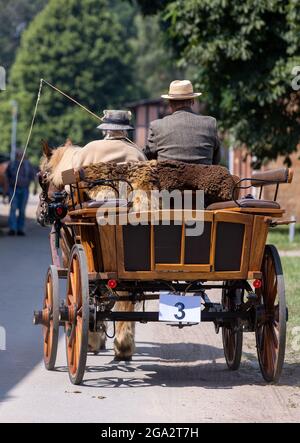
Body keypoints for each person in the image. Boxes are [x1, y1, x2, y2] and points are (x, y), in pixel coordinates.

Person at [144, 80, 221, 165]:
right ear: (193, 101)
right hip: (205, 177)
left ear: (170, 103)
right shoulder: (210, 123)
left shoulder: (156, 126)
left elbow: (147, 156)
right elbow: (216, 160)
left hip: (167, 177)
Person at [72, 110, 146, 169]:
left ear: (105, 130)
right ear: (125, 131)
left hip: (96, 187)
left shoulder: (91, 147)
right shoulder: (136, 151)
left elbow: (75, 168)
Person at [6, 149, 35, 236]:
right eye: (18, 154)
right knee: (13, 208)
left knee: (22, 210)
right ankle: (12, 229)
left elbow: (33, 177)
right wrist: (5, 190)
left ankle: (20, 229)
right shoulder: (11, 164)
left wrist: (35, 187)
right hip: (13, 189)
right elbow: (6, 176)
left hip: (24, 189)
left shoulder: (28, 165)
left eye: (21, 155)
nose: (20, 156)